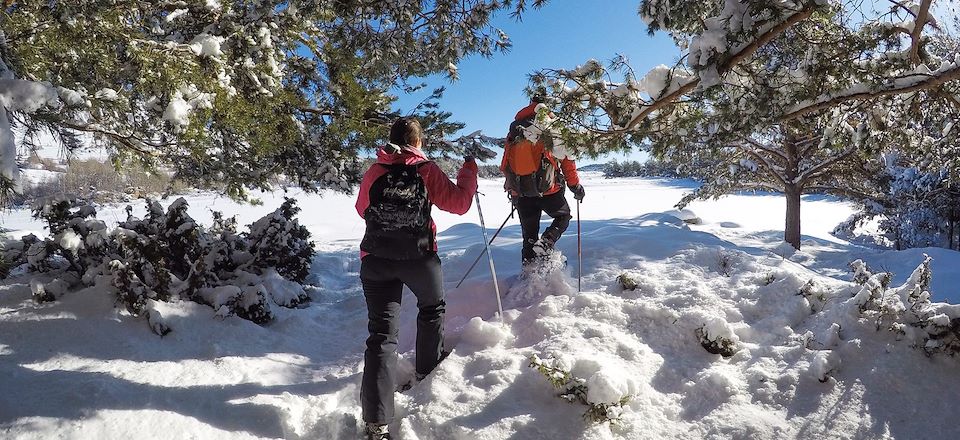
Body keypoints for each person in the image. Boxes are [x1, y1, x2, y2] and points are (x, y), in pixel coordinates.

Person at [354, 117, 480, 440]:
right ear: (419, 142)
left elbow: (361, 208)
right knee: (432, 308)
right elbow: (460, 203)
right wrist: (469, 171)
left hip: (376, 260)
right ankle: (427, 368)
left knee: (381, 336)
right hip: (419, 258)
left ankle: (376, 423)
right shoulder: (426, 171)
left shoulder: (375, 171)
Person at [501, 98, 585, 266]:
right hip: (549, 190)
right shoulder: (551, 126)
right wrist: (575, 186)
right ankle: (547, 242)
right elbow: (567, 160)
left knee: (529, 237)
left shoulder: (515, 129)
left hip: (522, 192)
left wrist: (511, 186)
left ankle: (529, 275)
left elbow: (505, 163)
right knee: (563, 216)